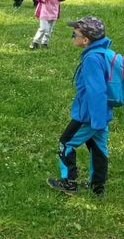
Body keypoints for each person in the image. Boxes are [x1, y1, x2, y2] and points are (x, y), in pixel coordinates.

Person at [47, 16, 112, 197]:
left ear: (85, 40)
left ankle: (69, 182)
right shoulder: (103, 53)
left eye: (74, 34)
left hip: (89, 115)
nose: (72, 37)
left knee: (66, 143)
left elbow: (97, 91)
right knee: (98, 147)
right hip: (101, 113)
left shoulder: (92, 59)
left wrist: (96, 120)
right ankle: (97, 187)